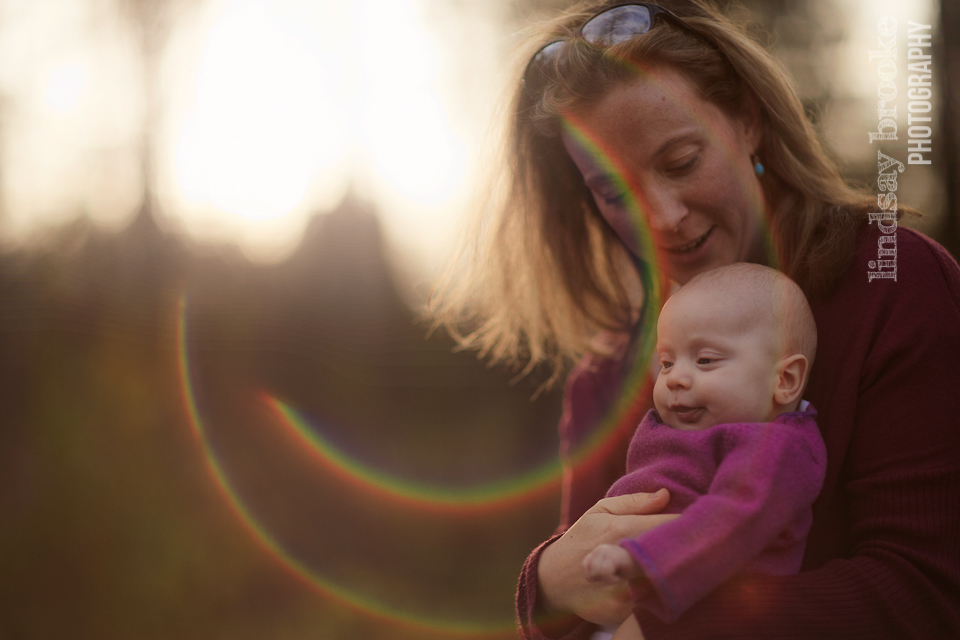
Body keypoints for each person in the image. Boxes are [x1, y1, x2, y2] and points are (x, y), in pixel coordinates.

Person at [429, 1, 960, 637]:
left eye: (681, 161)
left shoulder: (889, 281)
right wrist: (545, 587)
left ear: (748, 121)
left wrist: (671, 625)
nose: (663, 216)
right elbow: (579, 604)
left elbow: (924, 594)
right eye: (614, 191)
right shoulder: (608, 372)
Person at [581, 263, 825, 639]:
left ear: (784, 380)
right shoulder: (682, 426)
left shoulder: (778, 449)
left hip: (712, 615)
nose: (675, 377)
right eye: (666, 362)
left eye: (706, 360)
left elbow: (734, 517)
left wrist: (639, 557)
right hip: (641, 603)